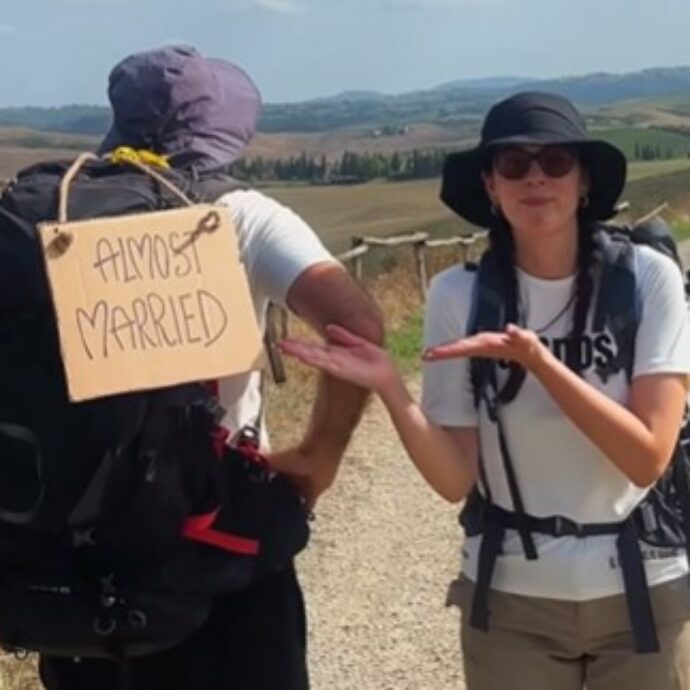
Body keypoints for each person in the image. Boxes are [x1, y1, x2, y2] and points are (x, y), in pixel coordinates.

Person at [282, 92, 690, 689]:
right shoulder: (459, 296)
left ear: (582, 182)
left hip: (643, 588)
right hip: (511, 599)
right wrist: (394, 391)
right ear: (490, 186)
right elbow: (454, 480)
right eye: (513, 165)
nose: (535, 178)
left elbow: (647, 456)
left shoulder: (645, 279)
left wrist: (539, 363)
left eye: (555, 161)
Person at [37, 45, 383, 690]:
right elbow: (358, 326)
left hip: (78, 549)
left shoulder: (49, 213)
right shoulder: (241, 215)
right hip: (222, 541)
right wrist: (320, 454)